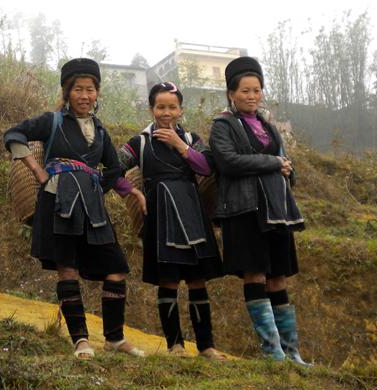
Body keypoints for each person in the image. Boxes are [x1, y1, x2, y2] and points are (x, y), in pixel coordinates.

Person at [3, 58, 143, 359]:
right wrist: (38, 171)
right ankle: (80, 340)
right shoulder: (51, 121)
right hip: (59, 203)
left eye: (90, 89)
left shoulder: (101, 131)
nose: (85, 95)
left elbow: (113, 169)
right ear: (67, 92)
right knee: (67, 269)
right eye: (78, 89)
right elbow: (13, 134)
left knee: (117, 267)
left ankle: (114, 338)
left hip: (92, 209)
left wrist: (130, 192)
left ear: (97, 93)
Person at [209, 56, 310, 365]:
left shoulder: (268, 125)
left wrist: (287, 170)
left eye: (256, 90)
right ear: (231, 94)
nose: (252, 96)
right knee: (255, 274)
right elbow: (228, 161)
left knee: (278, 276)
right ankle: (272, 352)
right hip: (244, 211)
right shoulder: (222, 125)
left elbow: (285, 162)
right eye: (245, 91)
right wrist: (273, 164)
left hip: (275, 210)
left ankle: (292, 352)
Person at [116, 82, 227, 360]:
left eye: (172, 107)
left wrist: (179, 146)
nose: (167, 113)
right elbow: (113, 168)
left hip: (192, 213)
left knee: (198, 281)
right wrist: (132, 191)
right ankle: (174, 345)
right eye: (161, 107)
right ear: (152, 109)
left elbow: (206, 166)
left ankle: (206, 346)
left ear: (180, 110)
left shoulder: (191, 138)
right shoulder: (139, 142)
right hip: (160, 216)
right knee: (168, 282)